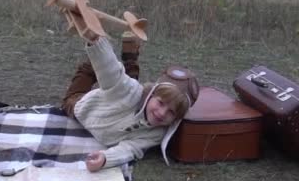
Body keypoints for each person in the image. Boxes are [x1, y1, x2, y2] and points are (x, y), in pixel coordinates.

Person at [61, 34, 199, 172]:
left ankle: (130, 55)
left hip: (122, 102)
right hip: (85, 106)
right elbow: (112, 75)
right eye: (161, 103)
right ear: (151, 94)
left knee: (128, 89)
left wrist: (105, 158)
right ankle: (93, 63)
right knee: (94, 78)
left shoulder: (156, 133)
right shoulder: (131, 91)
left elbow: (130, 149)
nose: (162, 113)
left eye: (171, 112)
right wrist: (96, 43)